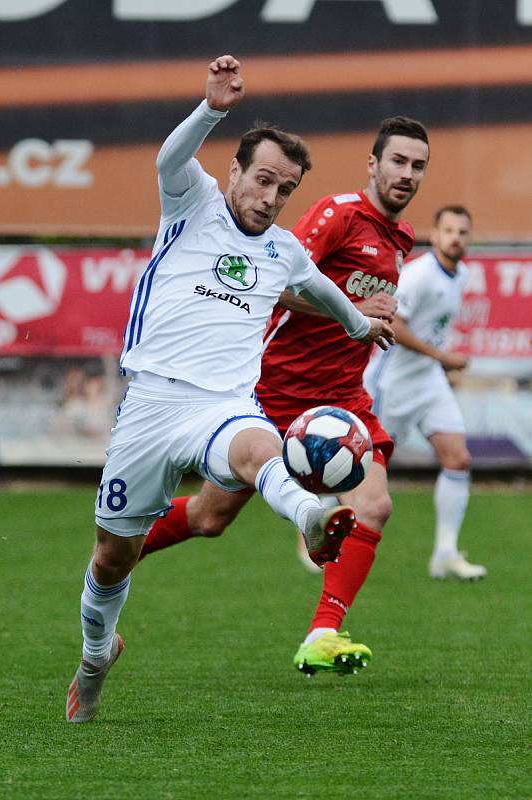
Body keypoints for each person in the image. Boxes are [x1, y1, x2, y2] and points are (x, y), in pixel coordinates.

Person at [65, 55, 395, 723]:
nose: (271, 197)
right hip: (152, 403)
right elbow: (168, 156)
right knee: (111, 555)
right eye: (263, 179)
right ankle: (96, 656)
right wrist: (212, 108)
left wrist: (358, 322)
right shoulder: (191, 204)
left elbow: (318, 287)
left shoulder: (281, 249)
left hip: (222, 404)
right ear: (235, 173)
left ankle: (308, 517)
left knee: (258, 448)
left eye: (285, 188)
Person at [138, 111, 430, 676]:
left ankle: (323, 632)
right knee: (207, 518)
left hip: (343, 401)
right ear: (372, 164)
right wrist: (350, 308)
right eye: (397, 161)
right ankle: (121, 541)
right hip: (275, 393)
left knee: (376, 504)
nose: (407, 174)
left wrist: (367, 317)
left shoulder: (402, 237)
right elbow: (269, 279)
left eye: (418, 166)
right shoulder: (339, 214)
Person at [365, 205, 486, 580]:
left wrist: (438, 363)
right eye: (448, 230)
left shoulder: (461, 274)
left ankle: (445, 554)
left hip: (428, 380)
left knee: (458, 459)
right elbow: (393, 326)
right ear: (434, 234)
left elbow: (433, 328)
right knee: (360, 469)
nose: (455, 238)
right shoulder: (418, 276)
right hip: (393, 384)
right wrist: (442, 357)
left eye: (462, 232)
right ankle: (314, 525)